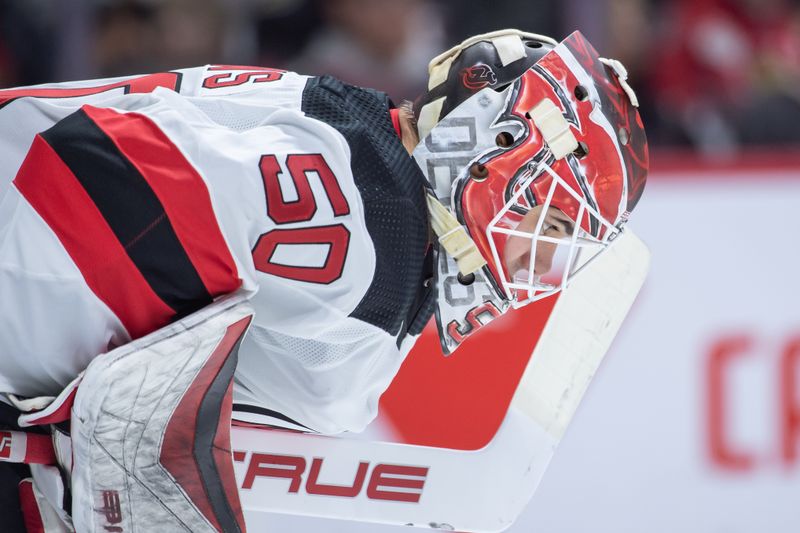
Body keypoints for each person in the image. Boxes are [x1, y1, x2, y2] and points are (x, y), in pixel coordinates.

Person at [0, 29, 647, 532]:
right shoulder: (359, 211)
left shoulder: (376, 194)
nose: (538, 263)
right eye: (550, 221)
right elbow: (78, 181)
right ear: (496, 142)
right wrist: (120, 440)